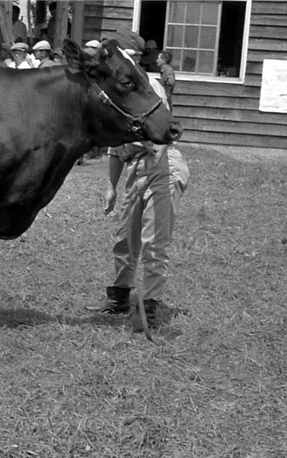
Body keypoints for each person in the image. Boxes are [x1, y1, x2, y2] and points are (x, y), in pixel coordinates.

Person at [86, 33, 190, 332]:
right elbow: (116, 148)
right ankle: (119, 299)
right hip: (135, 167)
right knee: (124, 239)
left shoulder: (148, 85)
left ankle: (148, 309)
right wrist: (111, 187)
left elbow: (158, 136)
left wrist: (150, 161)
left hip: (161, 167)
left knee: (154, 243)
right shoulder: (112, 90)